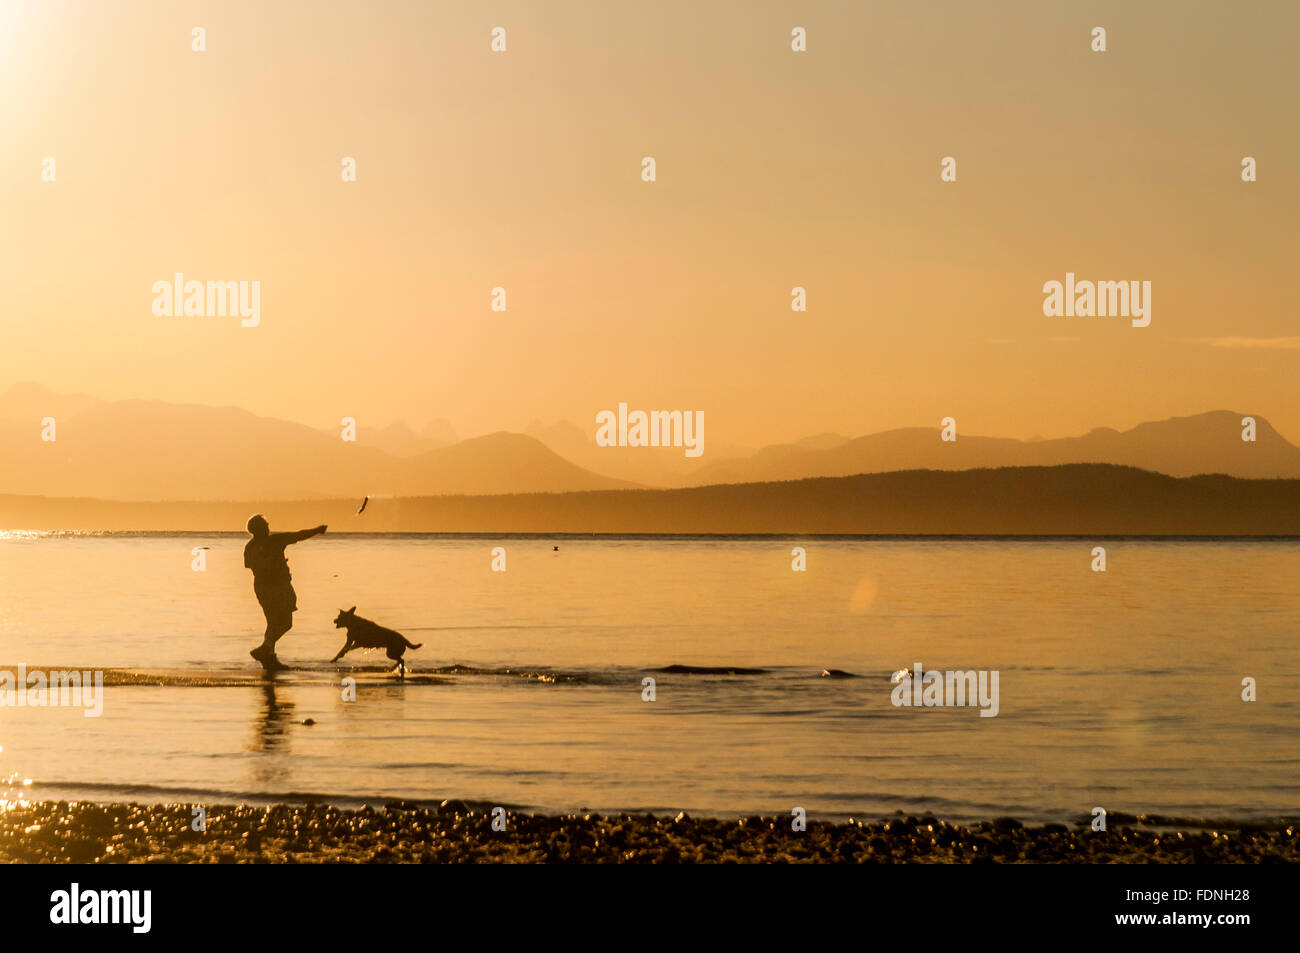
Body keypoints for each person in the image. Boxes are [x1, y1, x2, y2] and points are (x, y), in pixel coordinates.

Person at [244, 514, 326, 670]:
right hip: (278, 586)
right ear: (261, 528)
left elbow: (251, 566)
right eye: (266, 525)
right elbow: (298, 535)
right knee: (286, 623)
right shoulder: (275, 540)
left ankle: (269, 659)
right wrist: (317, 530)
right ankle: (266, 648)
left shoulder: (250, 547)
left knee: (272, 622)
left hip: (262, 587)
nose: (269, 527)